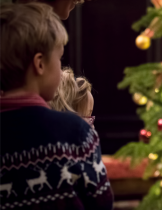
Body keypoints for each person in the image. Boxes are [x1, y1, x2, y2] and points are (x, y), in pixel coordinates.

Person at [0, 3, 113, 209]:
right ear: (40, 64)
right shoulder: (75, 132)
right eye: (59, 59)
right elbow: (102, 202)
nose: (61, 68)